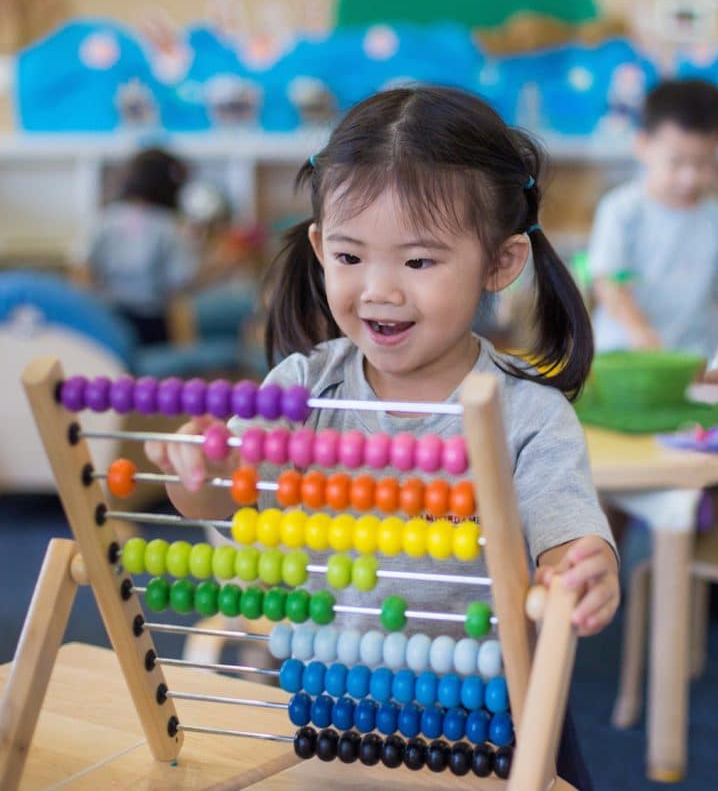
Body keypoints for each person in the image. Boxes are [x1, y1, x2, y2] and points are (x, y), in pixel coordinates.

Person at [145, 86, 619, 788]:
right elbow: (218, 501)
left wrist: (585, 568)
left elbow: (567, 536)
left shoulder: (526, 412)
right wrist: (197, 471)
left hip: (483, 726)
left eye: (419, 262)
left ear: (500, 263)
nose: (380, 291)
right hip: (326, 710)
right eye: (350, 257)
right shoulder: (302, 390)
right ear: (318, 249)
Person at [587, 78, 718, 367]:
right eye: (676, 162)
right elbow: (607, 282)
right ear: (642, 145)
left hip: (690, 367)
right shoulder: (622, 210)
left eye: (704, 163)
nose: (689, 177)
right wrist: (641, 333)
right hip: (622, 362)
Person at [80, 148, 246, 344]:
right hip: (151, 324)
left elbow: (82, 270)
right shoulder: (165, 225)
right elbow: (184, 280)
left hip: (109, 320)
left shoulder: (104, 218)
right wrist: (229, 262)